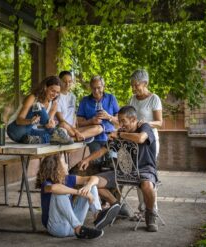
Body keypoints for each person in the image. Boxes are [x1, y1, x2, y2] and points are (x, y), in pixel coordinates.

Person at [78, 106, 159, 232]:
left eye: (123, 121)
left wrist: (120, 134)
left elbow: (140, 138)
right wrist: (86, 160)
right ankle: (117, 206)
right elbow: (103, 150)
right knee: (93, 183)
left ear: (133, 119)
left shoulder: (144, 127)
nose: (120, 124)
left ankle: (151, 213)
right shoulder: (121, 131)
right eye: (119, 121)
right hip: (123, 171)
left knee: (147, 185)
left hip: (145, 168)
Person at [36, 153, 121, 239]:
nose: (67, 165)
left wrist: (88, 187)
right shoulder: (46, 184)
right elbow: (53, 188)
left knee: (91, 185)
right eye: (64, 163)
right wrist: (79, 192)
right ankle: (78, 228)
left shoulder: (68, 178)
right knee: (59, 193)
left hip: (73, 224)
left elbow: (95, 178)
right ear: (57, 168)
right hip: (57, 228)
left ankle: (97, 216)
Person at [129, 69, 163, 215]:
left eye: (136, 85)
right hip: (136, 140)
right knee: (137, 173)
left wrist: (146, 122)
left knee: (148, 174)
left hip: (149, 141)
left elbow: (160, 122)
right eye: (132, 85)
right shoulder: (132, 99)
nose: (134, 88)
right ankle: (142, 208)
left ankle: (152, 209)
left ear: (145, 83)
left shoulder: (154, 98)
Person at [7, 76, 73, 144]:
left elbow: (46, 125)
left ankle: (38, 140)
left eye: (57, 92)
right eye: (53, 91)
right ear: (45, 88)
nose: (55, 95)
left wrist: (50, 124)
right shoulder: (33, 98)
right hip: (15, 129)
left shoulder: (54, 105)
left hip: (27, 134)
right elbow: (19, 120)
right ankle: (57, 133)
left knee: (51, 135)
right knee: (38, 106)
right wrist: (31, 121)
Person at [55, 71, 103, 143]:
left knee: (99, 128)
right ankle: (82, 136)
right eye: (64, 82)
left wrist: (75, 128)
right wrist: (76, 131)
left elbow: (73, 115)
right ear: (59, 81)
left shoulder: (72, 97)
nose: (67, 84)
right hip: (62, 129)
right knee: (63, 125)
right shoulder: (56, 97)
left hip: (72, 130)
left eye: (70, 81)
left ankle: (74, 138)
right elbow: (61, 120)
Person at [76, 75, 120, 154]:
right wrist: (91, 121)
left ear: (103, 87)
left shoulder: (111, 98)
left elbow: (119, 122)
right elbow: (79, 123)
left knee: (112, 162)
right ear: (90, 87)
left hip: (110, 136)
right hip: (93, 138)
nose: (96, 91)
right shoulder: (85, 101)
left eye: (99, 88)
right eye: (93, 88)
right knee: (96, 163)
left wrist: (108, 117)